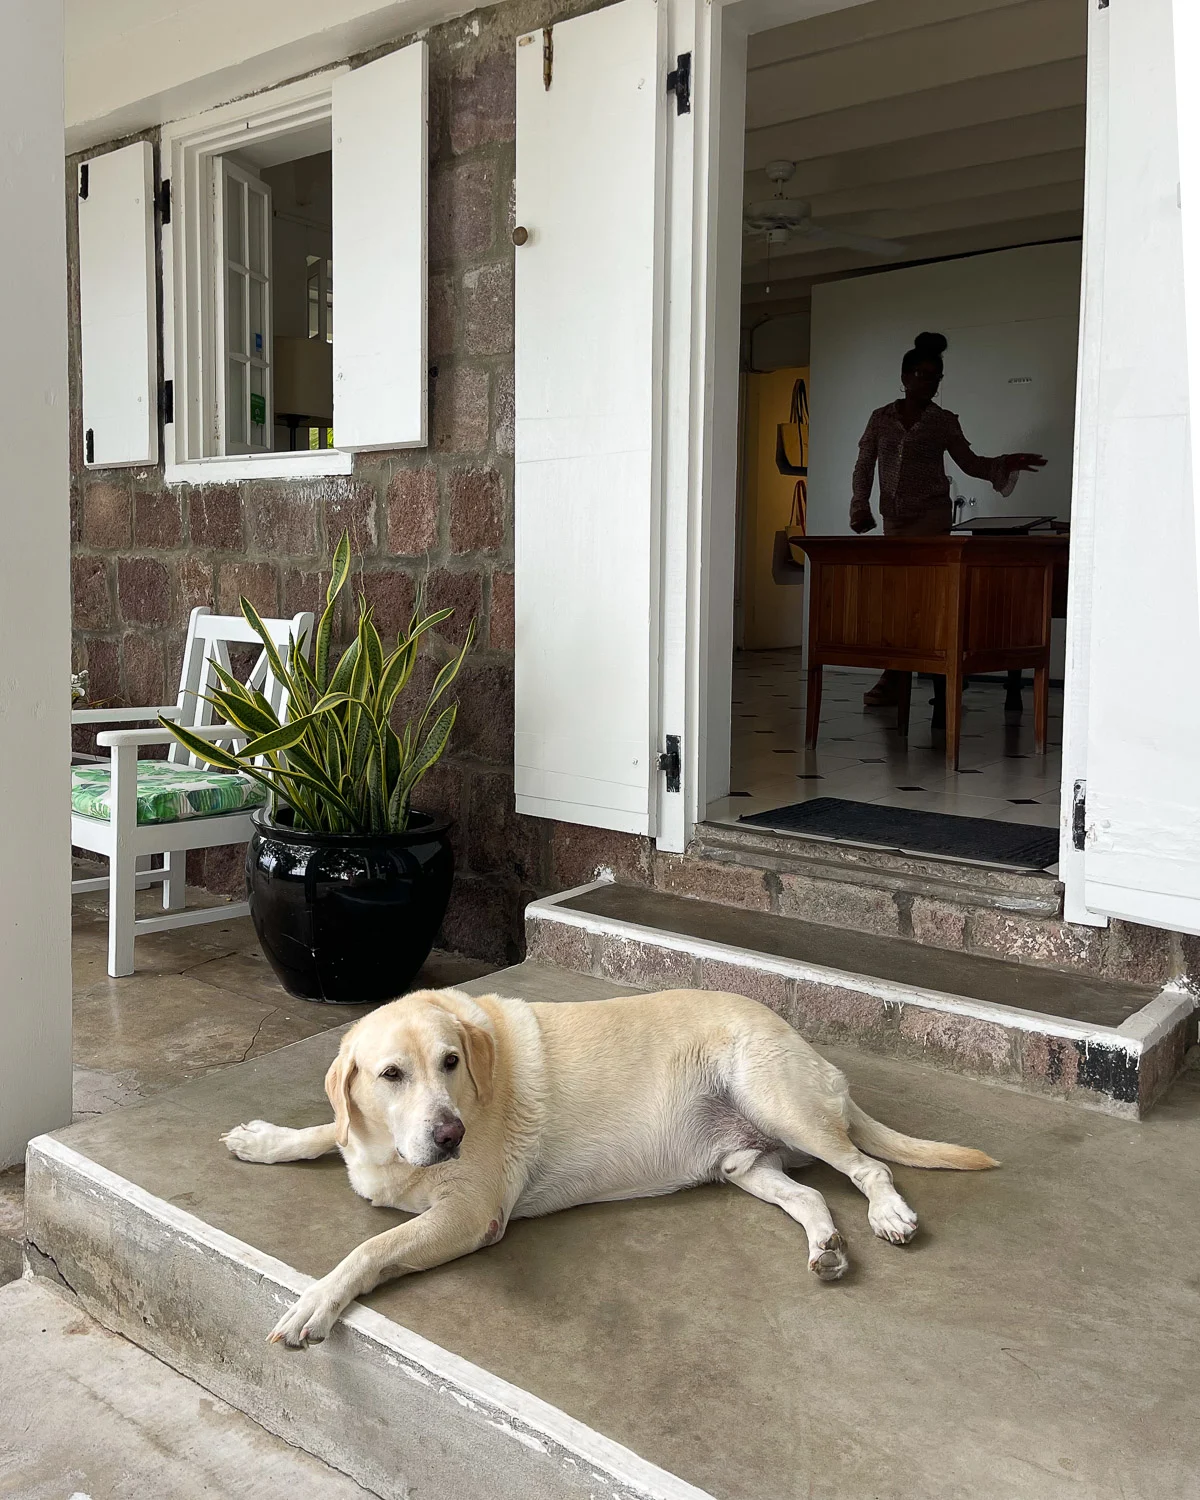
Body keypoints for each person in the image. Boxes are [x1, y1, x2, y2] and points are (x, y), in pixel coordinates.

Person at [849, 331, 1046, 714]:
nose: (928, 383)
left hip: (931, 518)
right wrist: (860, 505)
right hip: (895, 521)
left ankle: (917, 671)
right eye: (922, 375)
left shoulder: (942, 421)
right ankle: (896, 672)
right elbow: (864, 464)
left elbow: (970, 463)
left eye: (935, 378)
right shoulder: (881, 419)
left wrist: (1005, 462)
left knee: (926, 599)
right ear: (905, 377)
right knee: (897, 599)